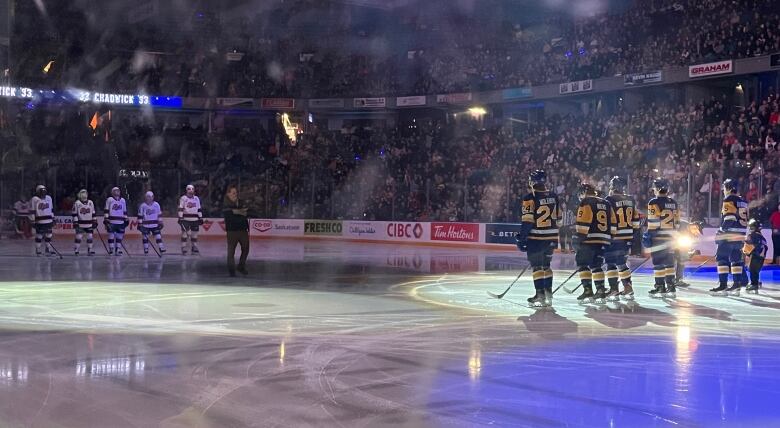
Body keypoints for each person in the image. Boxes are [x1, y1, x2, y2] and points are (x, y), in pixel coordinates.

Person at [515, 170, 560, 307]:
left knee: (537, 267)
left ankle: (540, 294)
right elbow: (560, 218)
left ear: (533, 182)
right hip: (551, 237)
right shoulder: (554, 196)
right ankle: (548, 293)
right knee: (546, 265)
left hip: (536, 238)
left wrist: (522, 238)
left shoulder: (530, 198)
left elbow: (528, 221)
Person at [573, 183, 612, 304]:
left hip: (589, 239)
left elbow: (583, 222)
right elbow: (613, 222)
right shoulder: (606, 203)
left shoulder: (586, 202)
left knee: (582, 264)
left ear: (584, 192)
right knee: (596, 266)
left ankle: (588, 289)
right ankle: (600, 290)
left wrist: (578, 239)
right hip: (603, 239)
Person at [710, 178, 748, 296]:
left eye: (725, 187)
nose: (723, 190)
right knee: (736, 259)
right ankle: (736, 284)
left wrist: (721, 231)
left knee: (722, 258)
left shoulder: (729, 199)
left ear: (729, 188)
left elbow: (729, 219)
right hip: (740, 235)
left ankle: (723, 284)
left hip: (729, 235)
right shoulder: (744, 201)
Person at [604, 176, 640, 301]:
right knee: (622, 263)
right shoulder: (630, 200)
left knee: (610, 264)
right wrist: (632, 234)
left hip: (614, 236)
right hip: (627, 236)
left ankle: (613, 289)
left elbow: (606, 219)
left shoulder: (609, 199)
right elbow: (636, 221)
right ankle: (628, 286)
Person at [643, 178, 680, 298]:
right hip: (671, 238)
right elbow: (677, 223)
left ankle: (660, 286)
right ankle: (671, 286)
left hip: (658, 238)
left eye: (654, 187)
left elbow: (653, 223)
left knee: (658, 263)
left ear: (658, 188)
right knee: (669, 263)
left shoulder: (654, 202)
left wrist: (648, 235)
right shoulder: (673, 203)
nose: (653, 189)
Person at [223, 185, 250, 277]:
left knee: (246, 248)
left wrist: (236, 212)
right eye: (233, 193)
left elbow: (247, 212)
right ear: (228, 194)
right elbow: (229, 215)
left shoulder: (241, 202)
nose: (235, 194)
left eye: (236, 193)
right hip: (232, 231)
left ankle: (241, 266)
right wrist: (239, 212)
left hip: (243, 229)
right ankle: (231, 270)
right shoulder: (225, 204)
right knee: (231, 251)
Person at [743, 219, 767, 294]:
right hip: (761, 257)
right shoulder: (762, 237)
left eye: (751, 227)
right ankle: (756, 281)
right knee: (756, 270)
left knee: (752, 269)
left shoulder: (752, 235)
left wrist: (744, 251)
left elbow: (748, 246)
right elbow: (765, 247)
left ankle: (754, 284)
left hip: (755, 255)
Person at [178, 184, 203, 255]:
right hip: (185, 219)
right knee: (184, 234)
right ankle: (183, 247)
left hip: (195, 219)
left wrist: (200, 217)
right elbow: (180, 208)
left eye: (192, 189)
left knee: (194, 234)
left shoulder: (196, 198)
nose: (191, 191)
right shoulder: (183, 198)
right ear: (186, 190)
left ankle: (194, 246)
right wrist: (180, 217)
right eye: (189, 189)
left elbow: (199, 209)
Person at [104, 187, 129, 256]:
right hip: (112, 221)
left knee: (119, 236)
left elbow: (124, 211)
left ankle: (118, 248)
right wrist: (106, 219)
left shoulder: (123, 200)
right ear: (112, 192)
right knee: (111, 235)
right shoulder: (109, 200)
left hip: (120, 221)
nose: (117, 192)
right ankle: (111, 249)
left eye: (118, 190)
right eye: (115, 191)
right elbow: (106, 210)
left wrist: (126, 219)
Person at [30, 185, 54, 256]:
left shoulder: (49, 198)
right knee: (39, 236)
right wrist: (33, 221)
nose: (43, 192)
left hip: (49, 221)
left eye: (44, 190)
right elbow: (33, 211)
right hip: (40, 221)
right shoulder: (34, 199)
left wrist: (53, 218)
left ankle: (48, 248)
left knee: (49, 235)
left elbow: (51, 209)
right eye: (41, 190)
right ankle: (38, 250)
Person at [72, 189, 97, 256]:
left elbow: (93, 213)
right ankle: (76, 250)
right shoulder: (77, 203)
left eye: (85, 193)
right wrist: (76, 222)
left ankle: (90, 249)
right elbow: (74, 214)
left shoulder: (90, 202)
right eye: (82, 193)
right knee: (79, 237)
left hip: (89, 224)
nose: (84, 195)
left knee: (90, 236)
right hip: (80, 224)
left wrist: (94, 221)